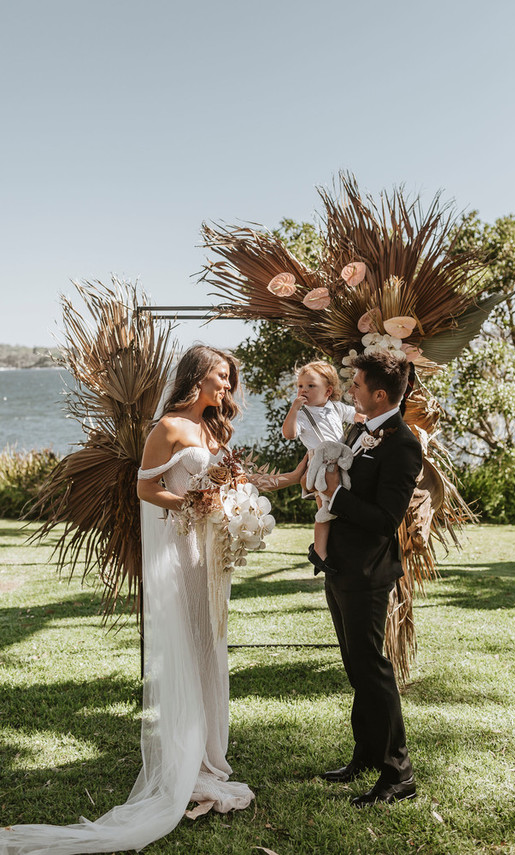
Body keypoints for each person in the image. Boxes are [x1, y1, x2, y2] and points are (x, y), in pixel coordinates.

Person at [0, 344, 305, 855]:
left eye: (229, 380)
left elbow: (236, 481)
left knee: (210, 648)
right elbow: (146, 491)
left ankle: (209, 760)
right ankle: (185, 764)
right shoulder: (167, 428)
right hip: (182, 553)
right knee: (188, 650)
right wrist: (197, 503)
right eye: (219, 378)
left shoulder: (213, 429)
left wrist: (289, 480)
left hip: (211, 557)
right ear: (196, 378)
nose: (226, 387)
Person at [316, 350, 422, 807]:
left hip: (368, 572)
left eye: (356, 384)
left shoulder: (403, 444)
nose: (351, 390)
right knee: (355, 666)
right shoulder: (361, 427)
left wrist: (336, 494)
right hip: (339, 565)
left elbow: (385, 518)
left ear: (380, 394)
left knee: (372, 670)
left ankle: (398, 772)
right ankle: (366, 752)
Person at [282, 360, 362, 571]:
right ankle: (320, 552)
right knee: (324, 511)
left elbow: (356, 416)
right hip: (320, 466)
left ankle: (328, 549)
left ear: (328, 391)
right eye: (300, 386)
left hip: (340, 462)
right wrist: (293, 409)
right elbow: (289, 434)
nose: (304, 390)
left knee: (337, 508)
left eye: (310, 386)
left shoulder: (335, 407)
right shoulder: (301, 415)